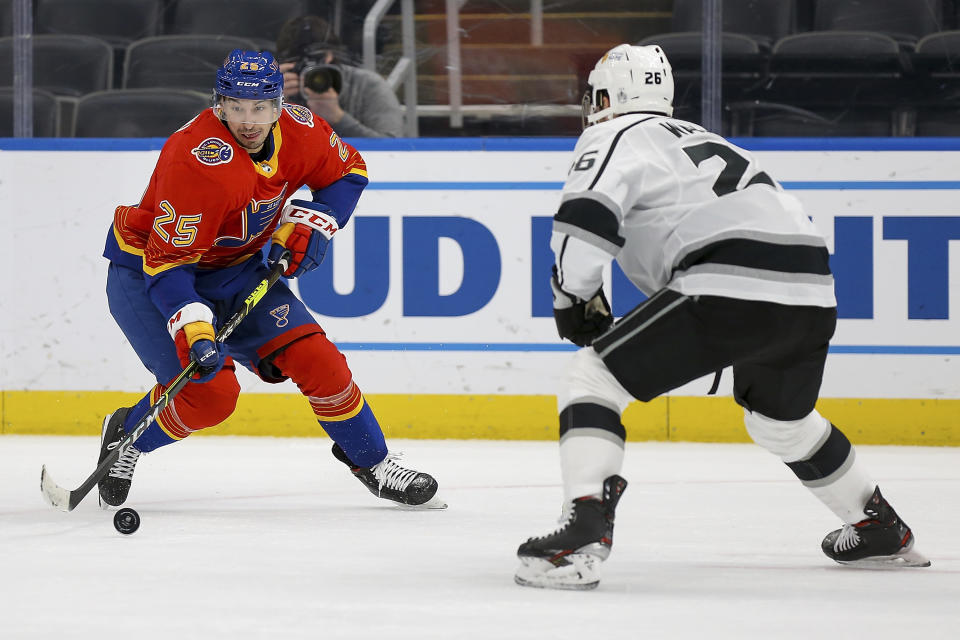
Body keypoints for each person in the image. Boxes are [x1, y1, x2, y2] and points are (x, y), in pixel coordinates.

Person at [514, 44, 928, 590]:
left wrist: (572, 295)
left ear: (608, 96)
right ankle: (878, 525)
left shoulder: (613, 134)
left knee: (591, 378)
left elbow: (585, 219)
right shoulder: (708, 140)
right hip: (812, 289)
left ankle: (584, 530)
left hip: (729, 279)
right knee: (781, 422)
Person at [97, 49, 443, 510]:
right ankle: (129, 438)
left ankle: (374, 463)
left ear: (279, 105)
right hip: (149, 274)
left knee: (321, 362)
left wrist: (316, 219)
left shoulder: (301, 129)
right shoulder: (195, 160)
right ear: (218, 104)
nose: (248, 120)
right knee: (212, 397)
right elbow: (168, 265)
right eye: (236, 107)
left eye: (260, 107)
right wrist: (196, 328)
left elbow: (348, 171)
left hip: (236, 271)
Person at [275, 15, 403, 138]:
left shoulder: (367, 86)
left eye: (313, 61)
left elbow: (393, 150)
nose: (306, 72)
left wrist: (338, 118)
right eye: (296, 64)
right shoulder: (271, 90)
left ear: (329, 56)